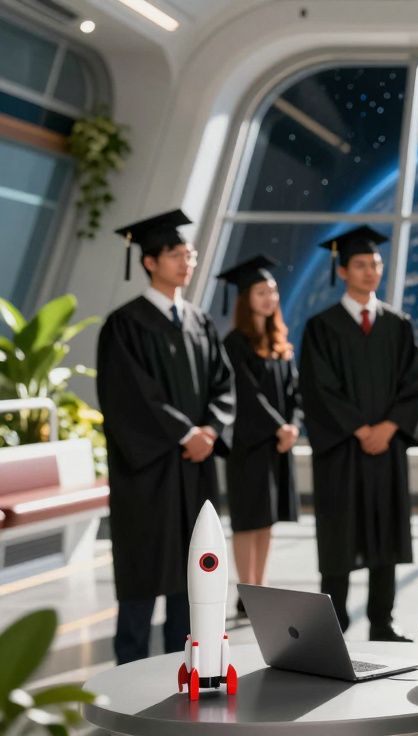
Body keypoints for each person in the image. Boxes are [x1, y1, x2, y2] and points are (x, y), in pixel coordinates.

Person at [96, 209, 234, 664]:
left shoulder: (200, 321)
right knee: (143, 572)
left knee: (193, 572)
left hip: (195, 470)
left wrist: (210, 429)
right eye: (175, 254)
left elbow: (223, 383)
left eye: (189, 253)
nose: (186, 261)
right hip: (149, 472)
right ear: (150, 261)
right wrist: (185, 433)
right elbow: (131, 397)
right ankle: (128, 676)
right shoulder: (125, 324)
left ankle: (185, 671)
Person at [298, 226, 418, 641]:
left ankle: (382, 622)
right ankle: (332, 625)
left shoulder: (397, 324)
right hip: (341, 450)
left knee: (384, 532)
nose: (370, 271)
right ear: (342, 271)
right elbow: (318, 388)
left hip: (385, 449)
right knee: (339, 535)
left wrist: (388, 427)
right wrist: (358, 428)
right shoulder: (322, 327)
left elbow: (413, 384)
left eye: (375, 264)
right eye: (360, 264)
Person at [216, 255, 301, 617]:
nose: (270, 298)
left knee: (267, 520)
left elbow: (296, 391)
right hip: (249, 445)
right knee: (248, 520)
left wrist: (294, 424)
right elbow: (247, 394)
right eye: (261, 292)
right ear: (246, 298)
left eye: (273, 291)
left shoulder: (280, 343)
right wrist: (278, 427)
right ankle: (246, 589)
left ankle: (261, 586)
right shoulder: (236, 343)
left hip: (278, 445)